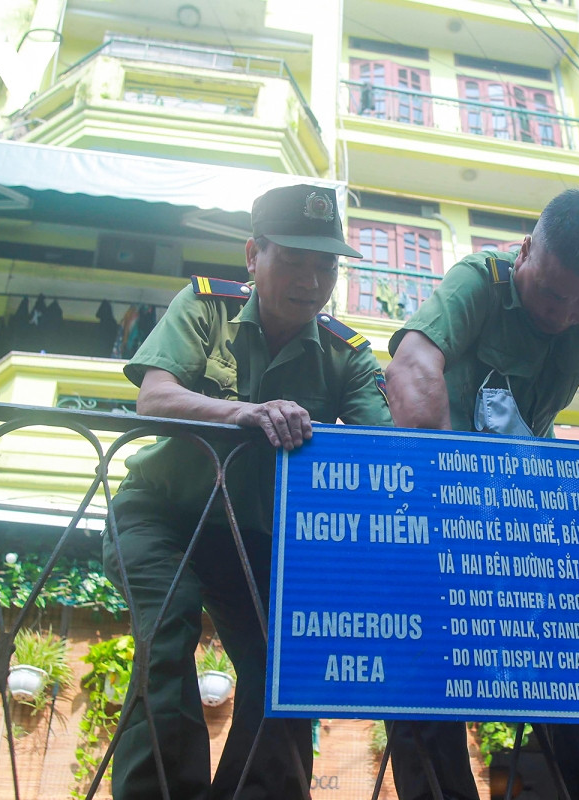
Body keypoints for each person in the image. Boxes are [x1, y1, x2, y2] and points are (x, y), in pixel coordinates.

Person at [103, 183, 392, 800]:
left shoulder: (348, 355)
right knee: (169, 625)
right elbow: (153, 397)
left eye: (326, 264)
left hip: (256, 540)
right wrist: (242, 412)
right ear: (252, 255)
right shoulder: (205, 307)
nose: (311, 280)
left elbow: (384, 450)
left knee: (283, 672)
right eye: (293, 259)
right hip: (161, 516)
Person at [384, 188, 579, 800]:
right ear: (526, 251)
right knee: (427, 679)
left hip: (524, 520)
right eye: (551, 294)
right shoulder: (479, 282)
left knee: (578, 661)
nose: (564, 314)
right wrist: (450, 480)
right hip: (437, 512)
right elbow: (410, 367)